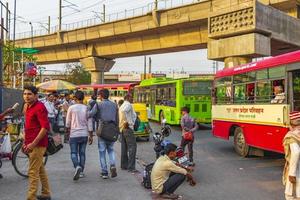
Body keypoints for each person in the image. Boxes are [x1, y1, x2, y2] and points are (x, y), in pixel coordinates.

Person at [22, 85, 51, 200]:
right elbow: (28, 125)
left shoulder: (39, 107)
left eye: (29, 94)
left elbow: (45, 128)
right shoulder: (27, 106)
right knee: (39, 170)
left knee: (33, 172)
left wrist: (33, 144)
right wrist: (25, 141)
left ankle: (31, 197)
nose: (26, 96)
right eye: (24, 94)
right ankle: (46, 193)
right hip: (30, 142)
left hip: (37, 144)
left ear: (36, 95)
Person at [66, 91, 93, 181]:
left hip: (74, 134)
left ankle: (77, 166)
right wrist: (91, 135)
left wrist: (67, 130)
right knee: (82, 153)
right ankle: (81, 172)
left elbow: (68, 122)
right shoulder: (87, 108)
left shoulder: (71, 108)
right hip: (84, 134)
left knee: (74, 153)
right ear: (83, 98)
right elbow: (90, 122)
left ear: (75, 98)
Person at [96, 89, 118, 179]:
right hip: (112, 128)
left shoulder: (99, 104)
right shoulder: (114, 104)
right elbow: (117, 118)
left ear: (101, 96)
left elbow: (92, 114)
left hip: (103, 129)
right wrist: (117, 130)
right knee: (111, 150)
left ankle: (104, 172)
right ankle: (112, 165)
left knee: (102, 152)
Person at [283, 111, 300, 200]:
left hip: (294, 165)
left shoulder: (291, 136)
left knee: (293, 179)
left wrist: (292, 173)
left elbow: (296, 152)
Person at [119, 94, 137, 172]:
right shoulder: (128, 104)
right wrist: (126, 122)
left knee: (124, 147)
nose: (132, 98)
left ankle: (124, 165)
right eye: (131, 97)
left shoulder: (122, 105)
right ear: (128, 98)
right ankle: (131, 167)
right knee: (132, 147)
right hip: (128, 127)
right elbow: (124, 112)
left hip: (122, 128)